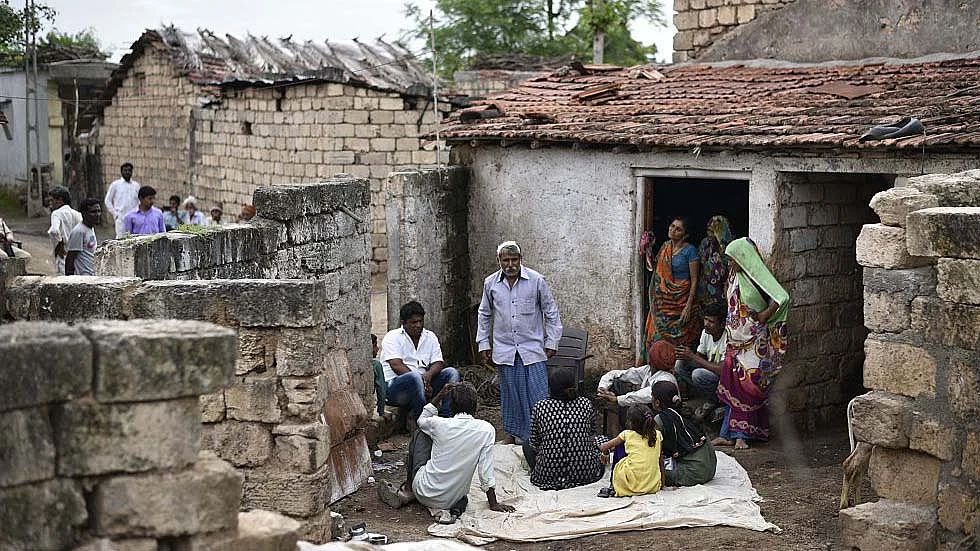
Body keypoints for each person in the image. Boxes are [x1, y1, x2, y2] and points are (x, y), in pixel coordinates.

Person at [377, 382, 515, 524]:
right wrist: (493, 504)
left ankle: (408, 490)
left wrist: (439, 396)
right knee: (463, 497)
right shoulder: (486, 430)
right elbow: (485, 472)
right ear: (476, 406)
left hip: (423, 491)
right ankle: (453, 507)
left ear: (451, 406)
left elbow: (421, 420)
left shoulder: (439, 424)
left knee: (420, 433)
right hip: (452, 499)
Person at [476, 240, 562, 444]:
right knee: (511, 395)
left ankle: (544, 438)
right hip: (505, 350)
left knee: (539, 396)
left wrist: (552, 342)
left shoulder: (536, 280)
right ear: (499, 260)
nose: (510, 265)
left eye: (514, 259)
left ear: (521, 259)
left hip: (533, 349)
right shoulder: (490, 283)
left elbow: (551, 312)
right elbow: (484, 314)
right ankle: (513, 435)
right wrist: (484, 344)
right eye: (506, 260)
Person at [713, 237, 790, 450]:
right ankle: (726, 433)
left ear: (742, 257)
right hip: (735, 342)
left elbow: (781, 297)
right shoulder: (733, 277)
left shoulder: (757, 278)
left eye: (732, 260)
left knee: (746, 387)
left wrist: (765, 314)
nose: (730, 264)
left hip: (754, 344)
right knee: (732, 386)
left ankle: (742, 436)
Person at [380, 301, 460, 426]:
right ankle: (422, 421)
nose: (418, 325)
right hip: (395, 389)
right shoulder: (393, 337)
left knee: (452, 373)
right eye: (414, 322)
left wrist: (429, 375)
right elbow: (396, 365)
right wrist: (422, 382)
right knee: (414, 377)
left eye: (420, 321)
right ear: (403, 322)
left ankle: (446, 418)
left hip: (424, 385)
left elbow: (438, 362)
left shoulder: (430, 336)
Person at [524, 367, 604, 490]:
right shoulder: (585, 403)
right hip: (586, 474)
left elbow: (535, 444)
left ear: (550, 387)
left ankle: (541, 469)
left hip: (547, 476)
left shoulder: (540, 407)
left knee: (527, 444)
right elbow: (591, 434)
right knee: (599, 441)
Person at [640, 217, 700, 364]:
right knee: (655, 337)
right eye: (672, 226)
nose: (672, 230)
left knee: (678, 341)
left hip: (681, 303)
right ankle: (653, 368)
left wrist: (687, 306)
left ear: (685, 235)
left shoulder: (690, 251)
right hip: (662, 305)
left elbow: (694, 280)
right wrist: (648, 249)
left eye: (678, 229)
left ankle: (675, 373)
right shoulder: (665, 247)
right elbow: (658, 271)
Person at [651, 381, 716, 487]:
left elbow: (654, 449)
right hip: (711, 468)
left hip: (695, 473)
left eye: (652, 396)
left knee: (648, 473)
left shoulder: (660, 420)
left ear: (657, 402)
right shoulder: (686, 411)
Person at [675, 301, 727, 421]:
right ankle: (711, 398)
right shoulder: (706, 333)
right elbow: (700, 356)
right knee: (680, 364)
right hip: (711, 375)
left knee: (698, 374)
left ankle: (717, 400)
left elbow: (722, 370)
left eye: (711, 321)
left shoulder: (728, 337)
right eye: (705, 320)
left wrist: (692, 356)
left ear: (722, 324)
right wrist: (687, 355)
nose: (706, 324)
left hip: (724, 381)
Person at [597, 404, 664, 498]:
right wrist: (662, 484)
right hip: (651, 486)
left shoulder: (627, 434)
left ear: (631, 423)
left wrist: (605, 453)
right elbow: (660, 461)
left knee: (619, 445)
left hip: (629, 484)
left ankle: (613, 484)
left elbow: (603, 447)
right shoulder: (657, 435)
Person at [598, 339, 678, 408]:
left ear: (650, 360)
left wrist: (617, 399)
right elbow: (616, 374)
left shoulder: (667, 379)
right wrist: (603, 387)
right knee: (617, 382)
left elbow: (646, 395)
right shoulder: (648, 370)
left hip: (659, 417)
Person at [697, 215, 735, 309]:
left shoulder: (731, 248)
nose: (709, 234)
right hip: (704, 295)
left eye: (712, 232)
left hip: (724, 296)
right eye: (708, 230)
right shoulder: (705, 244)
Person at [47, 186, 82, 275]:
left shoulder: (56, 213)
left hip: (63, 255)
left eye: (52, 200)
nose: (50, 204)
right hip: (76, 257)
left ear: (60, 200)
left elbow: (54, 231)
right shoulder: (77, 214)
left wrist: (59, 244)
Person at [65, 199, 102, 276]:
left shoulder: (90, 228)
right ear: (84, 213)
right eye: (93, 212)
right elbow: (70, 259)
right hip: (83, 278)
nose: (97, 214)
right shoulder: (79, 231)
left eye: (99, 211)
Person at [104, 162, 140, 238]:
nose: (127, 172)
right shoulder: (115, 185)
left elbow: (139, 201)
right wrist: (115, 214)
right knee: (121, 239)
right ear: (121, 172)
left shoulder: (136, 185)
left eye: (129, 170)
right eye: (125, 170)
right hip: (121, 218)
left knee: (134, 238)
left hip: (134, 218)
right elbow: (107, 200)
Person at [371, 334, 386, 417]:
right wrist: (381, 411)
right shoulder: (376, 365)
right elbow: (381, 390)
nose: (377, 349)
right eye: (375, 346)